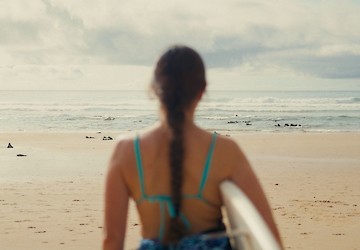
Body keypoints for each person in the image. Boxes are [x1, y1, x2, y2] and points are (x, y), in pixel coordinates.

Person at [103, 45, 282, 249]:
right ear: (201, 91)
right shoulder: (225, 151)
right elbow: (268, 237)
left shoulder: (125, 151)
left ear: (154, 88)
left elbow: (112, 240)